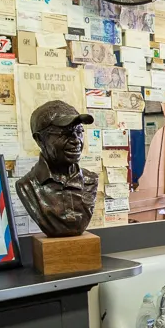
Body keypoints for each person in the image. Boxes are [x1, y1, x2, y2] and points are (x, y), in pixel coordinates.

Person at [16, 100, 100, 237]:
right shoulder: (27, 187)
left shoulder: (90, 181)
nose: (76, 140)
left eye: (79, 132)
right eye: (65, 134)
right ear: (39, 140)